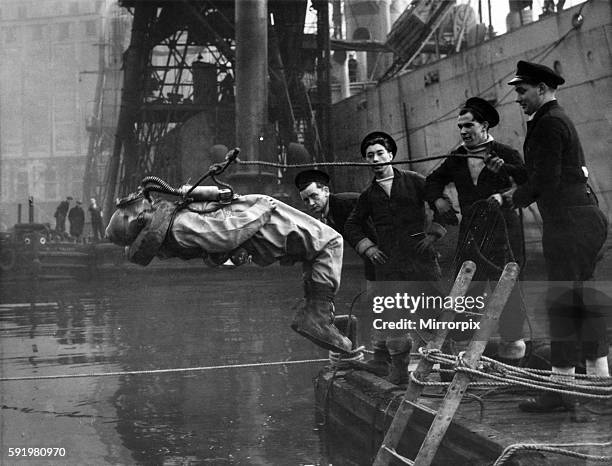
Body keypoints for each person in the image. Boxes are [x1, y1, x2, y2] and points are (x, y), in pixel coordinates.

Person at [105, 186, 352, 354]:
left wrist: (191, 192)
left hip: (259, 224)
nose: (146, 200)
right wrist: (262, 209)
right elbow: (227, 235)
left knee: (314, 249)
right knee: (329, 242)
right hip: (263, 222)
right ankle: (316, 318)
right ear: (136, 219)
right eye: (139, 205)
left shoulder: (174, 224)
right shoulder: (179, 226)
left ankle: (316, 312)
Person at [504, 61, 609, 413]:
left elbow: (545, 182)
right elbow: (548, 173)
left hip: (569, 224)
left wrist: (513, 197)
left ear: (542, 88)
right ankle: (598, 383)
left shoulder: (548, 123)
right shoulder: (553, 120)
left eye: (522, 91)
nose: (518, 98)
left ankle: (563, 390)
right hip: (579, 220)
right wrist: (509, 170)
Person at [425, 97, 528, 365]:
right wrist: (437, 199)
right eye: (460, 126)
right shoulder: (457, 157)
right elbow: (432, 181)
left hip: (504, 235)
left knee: (507, 291)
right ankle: (466, 359)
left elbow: (528, 184)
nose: (462, 131)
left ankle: (512, 361)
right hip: (472, 235)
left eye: (468, 125)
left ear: (484, 125)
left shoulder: (505, 153)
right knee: (468, 292)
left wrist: (504, 196)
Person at [344, 131, 446, 384]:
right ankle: (399, 373)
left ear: (390, 156)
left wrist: (433, 235)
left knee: (434, 316)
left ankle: (447, 371)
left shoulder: (414, 181)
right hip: (389, 265)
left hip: (421, 260)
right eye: (370, 156)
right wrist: (369, 248)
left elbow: (441, 203)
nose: (376, 159)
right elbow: (352, 225)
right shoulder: (368, 195)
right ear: (367, 161)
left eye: (380, 153)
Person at [294, 169, 375, 281]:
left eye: (314, 196)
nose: (311, 203)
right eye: (306, 200)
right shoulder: (326, 216)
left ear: (326, 191)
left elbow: (375, 229)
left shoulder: (348, 203)